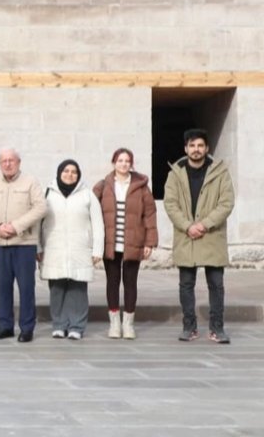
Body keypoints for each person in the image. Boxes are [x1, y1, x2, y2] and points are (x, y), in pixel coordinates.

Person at [163, 128, 236, 344]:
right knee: (186, 284)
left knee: (216, 284)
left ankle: (217, 328)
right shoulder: (175, 173)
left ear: (207, 148)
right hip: (186, 237)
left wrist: (203, 225)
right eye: (192, 146)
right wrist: (188, 226)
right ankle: (189, 327)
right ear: (186, 148)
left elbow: (226, 203)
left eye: (200, 146)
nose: (196, 150)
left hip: (212, 237)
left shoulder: (220, 172)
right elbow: (170, 204)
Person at [0, 147, 47, 343]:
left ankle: (26, 328)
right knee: (3, 286)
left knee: (26, 287)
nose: (8, 164)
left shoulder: (30, 182)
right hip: (0, 243)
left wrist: (16, 226)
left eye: (11, 160)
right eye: (4, 161)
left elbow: (41, 207)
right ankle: (5, 325)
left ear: (18, 162)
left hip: (24, 243)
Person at [92, 147, 158, 340]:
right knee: (112, 283)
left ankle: (128, 324)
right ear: (114, 163)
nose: (124, 164)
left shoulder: (141, 186)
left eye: (127, 161)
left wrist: (150, 242)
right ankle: (114, 323)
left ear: (131, 164)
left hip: (133, 243)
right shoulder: (104, 185)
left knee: (130, 283)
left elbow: (150, 214)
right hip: (110, 244)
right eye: (120, 160)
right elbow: (91, 210)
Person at [38, 159, 104, 341]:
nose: (69, 174)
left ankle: (77, 326)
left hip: (79, 249)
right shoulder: (47, 194)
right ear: (59, 173)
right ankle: (59, 325)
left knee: (78, 290)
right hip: (53, 248)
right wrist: (38, 246)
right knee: (57, 289)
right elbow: (38, 223)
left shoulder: (87, 195)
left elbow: (98, 224)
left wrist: (97, 249)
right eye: (66, 171)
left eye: (73, 171)